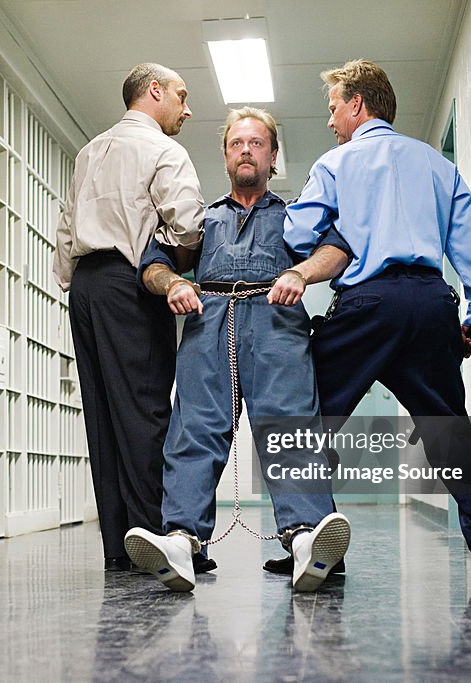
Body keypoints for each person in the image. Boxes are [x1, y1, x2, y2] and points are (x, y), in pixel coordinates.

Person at [278, 59, 471, 574]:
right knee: (450, 432)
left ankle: (315, 544)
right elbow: (469, 249)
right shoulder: (438, 165)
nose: (330, 120)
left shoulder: (335, 164)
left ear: (357, 104)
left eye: (333, 107)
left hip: (368, 305)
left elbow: (297, 236)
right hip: (432, 304)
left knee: (305, 418)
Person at [122, 107, 352, 593]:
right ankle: (182, 542)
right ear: (226, 156)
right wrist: (170, 287)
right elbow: (154, 264)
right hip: (208, 322)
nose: (246, 149)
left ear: (272, 156)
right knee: (195, 430)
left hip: (275, 320)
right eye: (236, 143)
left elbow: (336, 251)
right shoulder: (200, 221)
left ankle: (308, 539)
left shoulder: (295, 216)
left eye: (257, 143)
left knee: (289, 429)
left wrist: (300, 272)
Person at [53, 63, 204, 571]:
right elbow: (187, 226)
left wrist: (78, 283)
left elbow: (67, 227)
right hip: (130, 284)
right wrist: (176, 266)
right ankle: (160, 540)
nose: (188, 108)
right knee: (145, 410)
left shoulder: (89, 151)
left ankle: (119, 545)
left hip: (86, 287)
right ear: (154, 91)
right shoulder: (163, 150)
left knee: (103, 416)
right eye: (181, 96)